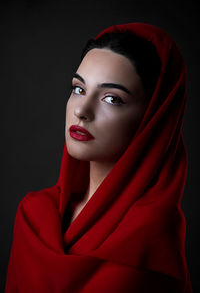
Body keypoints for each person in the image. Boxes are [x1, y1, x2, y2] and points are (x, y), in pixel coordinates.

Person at [5, 22, 193, 293]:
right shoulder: (33, 216)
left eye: (112, 99)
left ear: (151, 119)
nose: (82, 110)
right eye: (79, 89)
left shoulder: (151, 239)